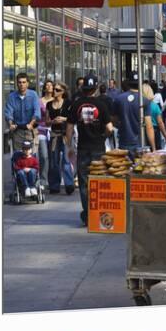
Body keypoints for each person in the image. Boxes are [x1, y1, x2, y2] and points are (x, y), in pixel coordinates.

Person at [66, 75, 113, 226]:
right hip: (98, 148)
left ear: (83, 88)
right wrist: (103, 137)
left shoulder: (76, 104)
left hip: (83, 148)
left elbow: (69, 128)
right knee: (99, 181)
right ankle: (99, 212)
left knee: (84, 182)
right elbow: (109, 128)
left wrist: (69, 146)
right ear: (96, 88)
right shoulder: (101, 104)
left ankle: (87, 214)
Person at [112, 71, 155, 156]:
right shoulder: (144, 101)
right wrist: (153, 148)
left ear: (128, 83)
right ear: (140, 84)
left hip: (123, 141)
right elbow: (149, 126)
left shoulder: (119, 99)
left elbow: (114, 119)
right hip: (140, 143)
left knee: (124, 167)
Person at [46, 82, 75, 195]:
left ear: (63, 92)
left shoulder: (68, 103)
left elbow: (73, 118)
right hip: (54, 135)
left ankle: (69, 184)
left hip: (65, 135)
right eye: (54, 89)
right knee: (53, 161)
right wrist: (53, 121)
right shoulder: (49, 104)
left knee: (66, 161)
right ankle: (54, 185)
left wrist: (63, 119)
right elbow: (47, 121)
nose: (54, 91)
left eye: (57, 90)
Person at [4, 72, 41, 151]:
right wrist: (10, 124)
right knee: (18, 157)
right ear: (17, 83)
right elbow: (8, 112)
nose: (22, 84)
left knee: (31, 157)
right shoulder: (11, 96)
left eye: (24, 82)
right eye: (19, 82)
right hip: (17, 131)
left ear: (27, 83)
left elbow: (37, 111)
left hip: (30, 130)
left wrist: (31, 124)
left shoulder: (33, 95)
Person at [142, 83, 166, 150]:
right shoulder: (155, 106)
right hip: (155, 132)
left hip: (141, 132)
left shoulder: (140, 106)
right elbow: (160, 123)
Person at [37, 80, 54, 187]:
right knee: (44, 156)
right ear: (44, 88)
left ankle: (51, 180)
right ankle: (43, 179)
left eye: (51, 85)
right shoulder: (39, 101)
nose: (49, 87)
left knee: (53, 157)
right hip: (41, 130)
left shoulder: (56, 100)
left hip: (54, 131)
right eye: (46, 85)